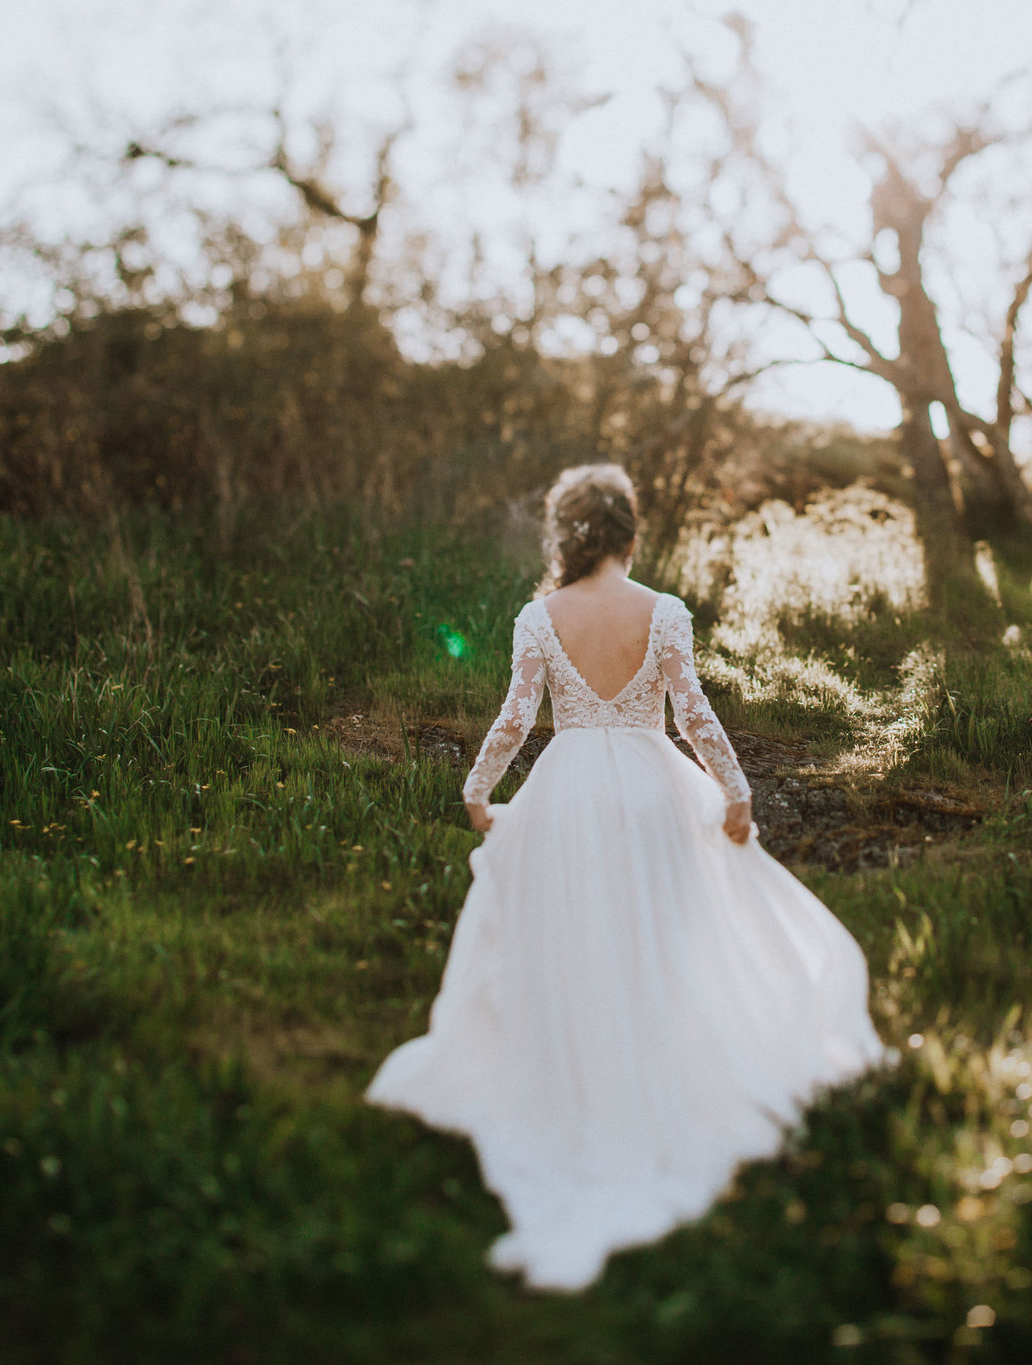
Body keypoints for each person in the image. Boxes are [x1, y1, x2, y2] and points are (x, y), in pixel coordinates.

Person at [366, 463, 889, 1290]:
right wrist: (736, 788)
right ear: (631, 534)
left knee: (572, 939)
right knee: (661, 933)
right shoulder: (665, 611)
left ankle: (576, 1073)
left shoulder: (538, 616)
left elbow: (514, 716)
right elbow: (693, 712)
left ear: (565, 535)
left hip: (564, 793)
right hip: (654, 790)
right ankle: (654, 1067)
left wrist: (477, 790)